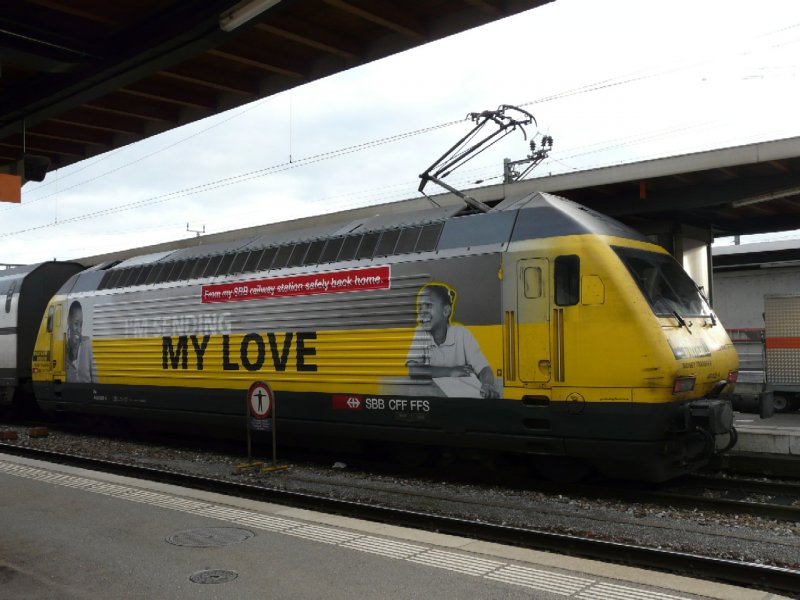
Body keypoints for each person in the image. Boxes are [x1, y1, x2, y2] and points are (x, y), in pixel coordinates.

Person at [406, 283, 499, 398]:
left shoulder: (462, 334)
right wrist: (450, 371)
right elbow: (414, 370)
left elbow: (484, 368)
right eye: (420, 308)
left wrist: (487, 385)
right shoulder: (421, 333)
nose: (422, 312)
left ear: (446, 311)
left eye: (428, 305)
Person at [66, 300, 96, 383]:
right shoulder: (63, 351)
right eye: (76, 323)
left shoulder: (87, 346)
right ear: (68, 321)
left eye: (81, 324)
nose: (79, 329)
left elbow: (96, 381)